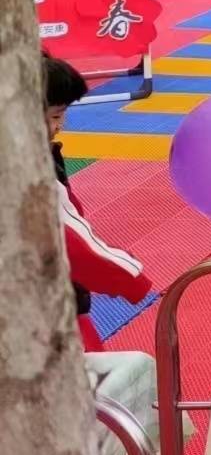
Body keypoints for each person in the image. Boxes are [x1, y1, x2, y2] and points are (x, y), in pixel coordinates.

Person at [43, 52, 150, 352]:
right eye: (55, 115)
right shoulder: (28, 173)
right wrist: (131, 276)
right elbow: (71, 242)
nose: (61, 124)